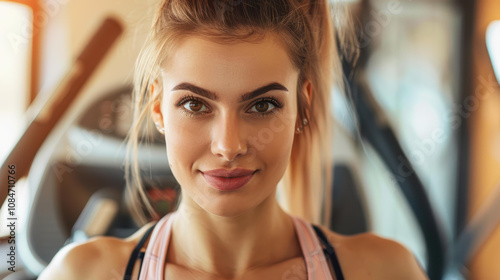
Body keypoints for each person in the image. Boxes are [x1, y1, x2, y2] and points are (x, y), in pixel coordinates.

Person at [39, 0, 428, 279]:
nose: (228, 146)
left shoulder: (384, 270)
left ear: (303, 105)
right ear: (157, 109)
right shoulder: (81, 273)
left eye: (261, 106)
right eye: (195, 104)